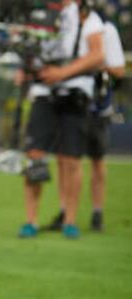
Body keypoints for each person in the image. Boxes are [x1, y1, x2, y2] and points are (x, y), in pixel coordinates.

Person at [17, 0, 104, 239]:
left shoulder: (88, 18)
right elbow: (30, 50)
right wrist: (28, 68)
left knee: (71, 159)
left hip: (75, 94)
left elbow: (98, 54)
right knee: (34, 156)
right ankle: (30, 220)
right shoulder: (38, 14)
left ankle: (70, 220)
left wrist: (62, 73)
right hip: (43, 93)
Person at [43, 14, 125, 233]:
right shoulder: (63, 26)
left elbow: (119, 70)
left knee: (96, 161)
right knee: (64, 159)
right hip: (68, 102)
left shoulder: (106, 29)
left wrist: (88, 67)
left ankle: (97, 213)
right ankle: (64, 212)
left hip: (96, 107)